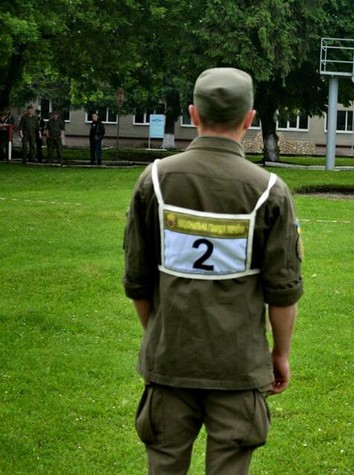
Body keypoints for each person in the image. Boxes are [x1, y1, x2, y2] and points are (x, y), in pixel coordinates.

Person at [123, 67, 304, 474]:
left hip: (170, 362)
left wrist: (159, 334)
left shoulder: (155, 181)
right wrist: (280, 354)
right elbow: (282, 291)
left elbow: (137, 281)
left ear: (193, 114)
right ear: (249, 120)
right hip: (238, 367)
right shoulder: (269, 191)